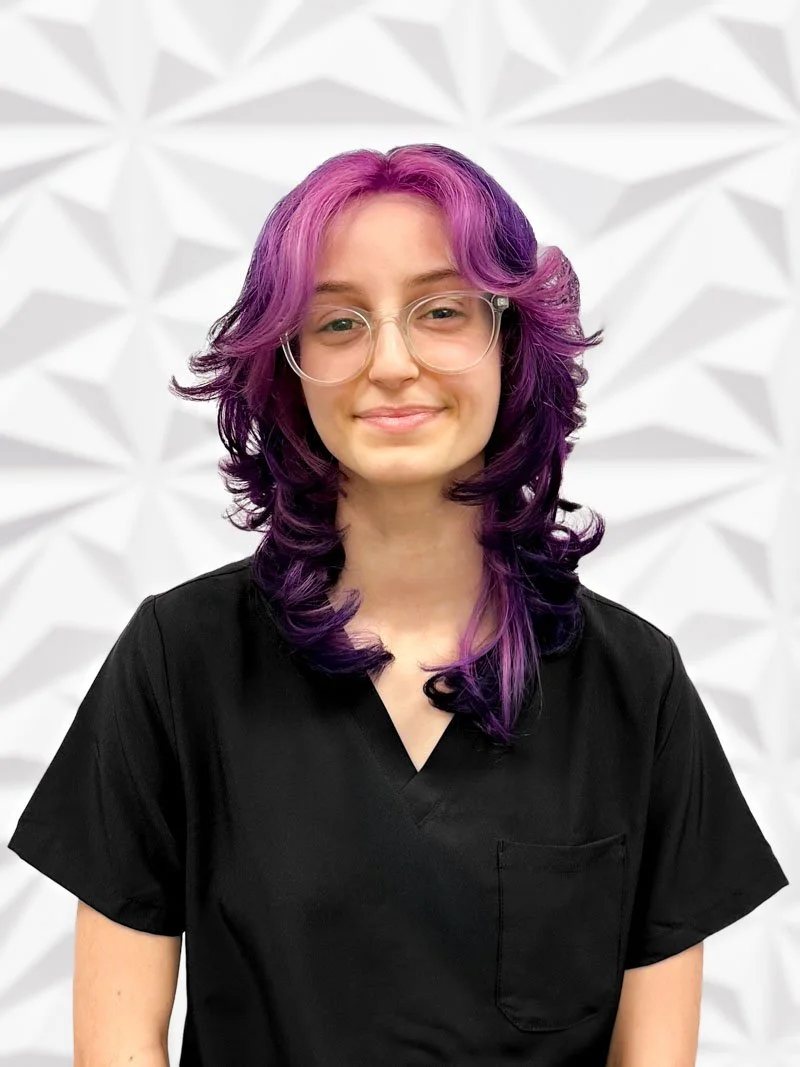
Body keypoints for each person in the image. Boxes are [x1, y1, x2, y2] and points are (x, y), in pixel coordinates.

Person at [7, 143, 789, 1066]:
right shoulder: (180, 662)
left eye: (442, 310)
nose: (391, 362)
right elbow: (119, 1042)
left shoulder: (634, 684)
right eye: (339, 323)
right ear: (286, 367)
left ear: (513, 340)